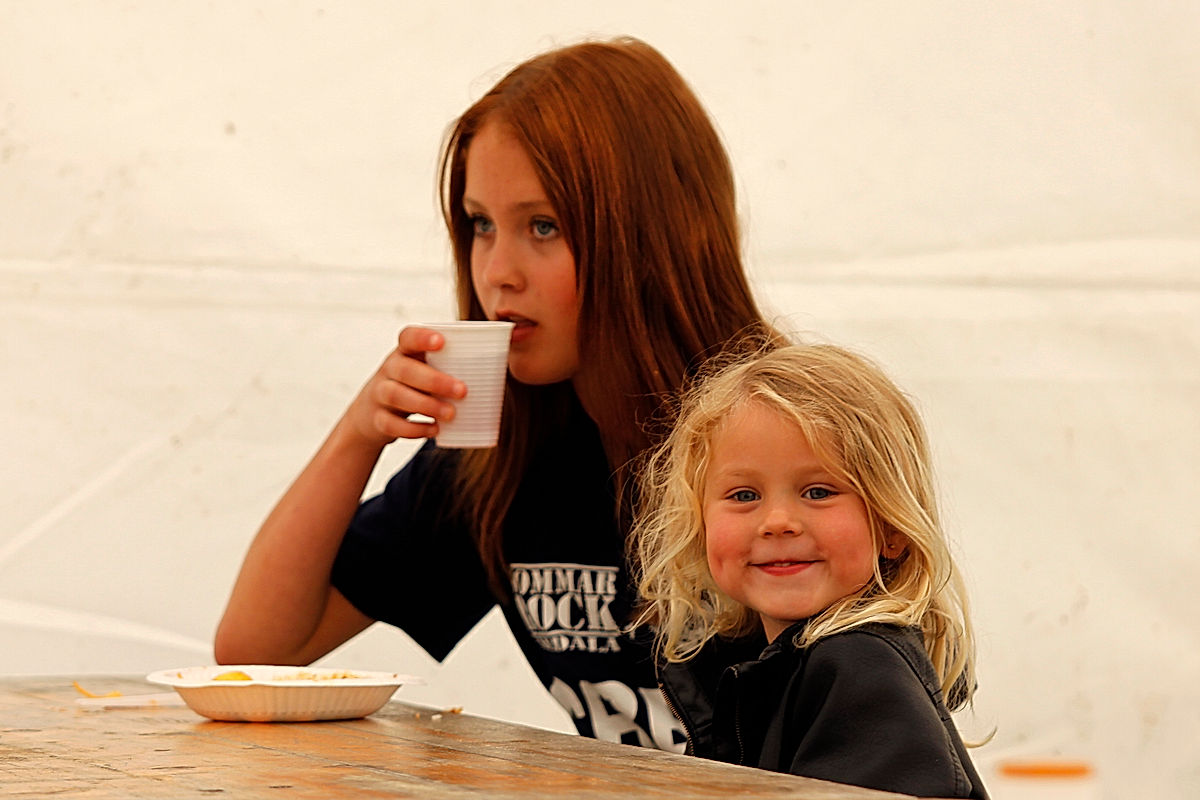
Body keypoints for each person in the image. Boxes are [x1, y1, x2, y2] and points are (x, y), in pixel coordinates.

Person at [214, 36, 781, 750]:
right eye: (481, 224)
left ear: (650, 237)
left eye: (542, 227)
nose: (497, 273)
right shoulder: (504, 453)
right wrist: (359, 432)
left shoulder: (787, 437)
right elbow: (256, 655)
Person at [632, 343, 989, 798]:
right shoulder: (751, 666)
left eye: (818, 492)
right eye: (744, 495)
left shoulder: (859, 668)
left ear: (891, 528)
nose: (778, 522)